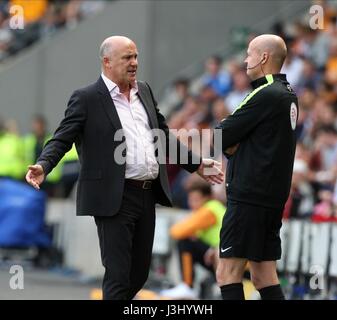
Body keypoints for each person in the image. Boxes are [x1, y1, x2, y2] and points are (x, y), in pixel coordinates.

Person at [25, 35, 224, 300]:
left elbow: (162, 136)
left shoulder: (144, 90)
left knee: (138, 275)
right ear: (107, 62)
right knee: (118, 275)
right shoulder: (86, 98)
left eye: (136, 56)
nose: (134, 63)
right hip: (113, 197)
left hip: (146, 194)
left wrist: (197, 164)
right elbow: (62, 137)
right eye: (127, 58)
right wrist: (44, 164)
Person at [214, 34, 298, 300]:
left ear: (263, 57)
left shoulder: (265, 92)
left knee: (227, 273)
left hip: (249, 197)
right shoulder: (288, 94)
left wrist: (234, 142)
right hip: (271, 199)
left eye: (249, 54)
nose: (245, 60)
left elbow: (220, 135)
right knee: (263, 275)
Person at [161, 182, 226, 299]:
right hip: (219, 254)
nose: (192, 204)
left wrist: (191, 232)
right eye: (190, 200)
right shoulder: (215, 207)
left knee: (185, 242)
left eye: (196, 200)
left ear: (207, 198)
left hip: (221, 257)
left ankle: (187, 286)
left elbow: (176, 232)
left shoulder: (209, 210)